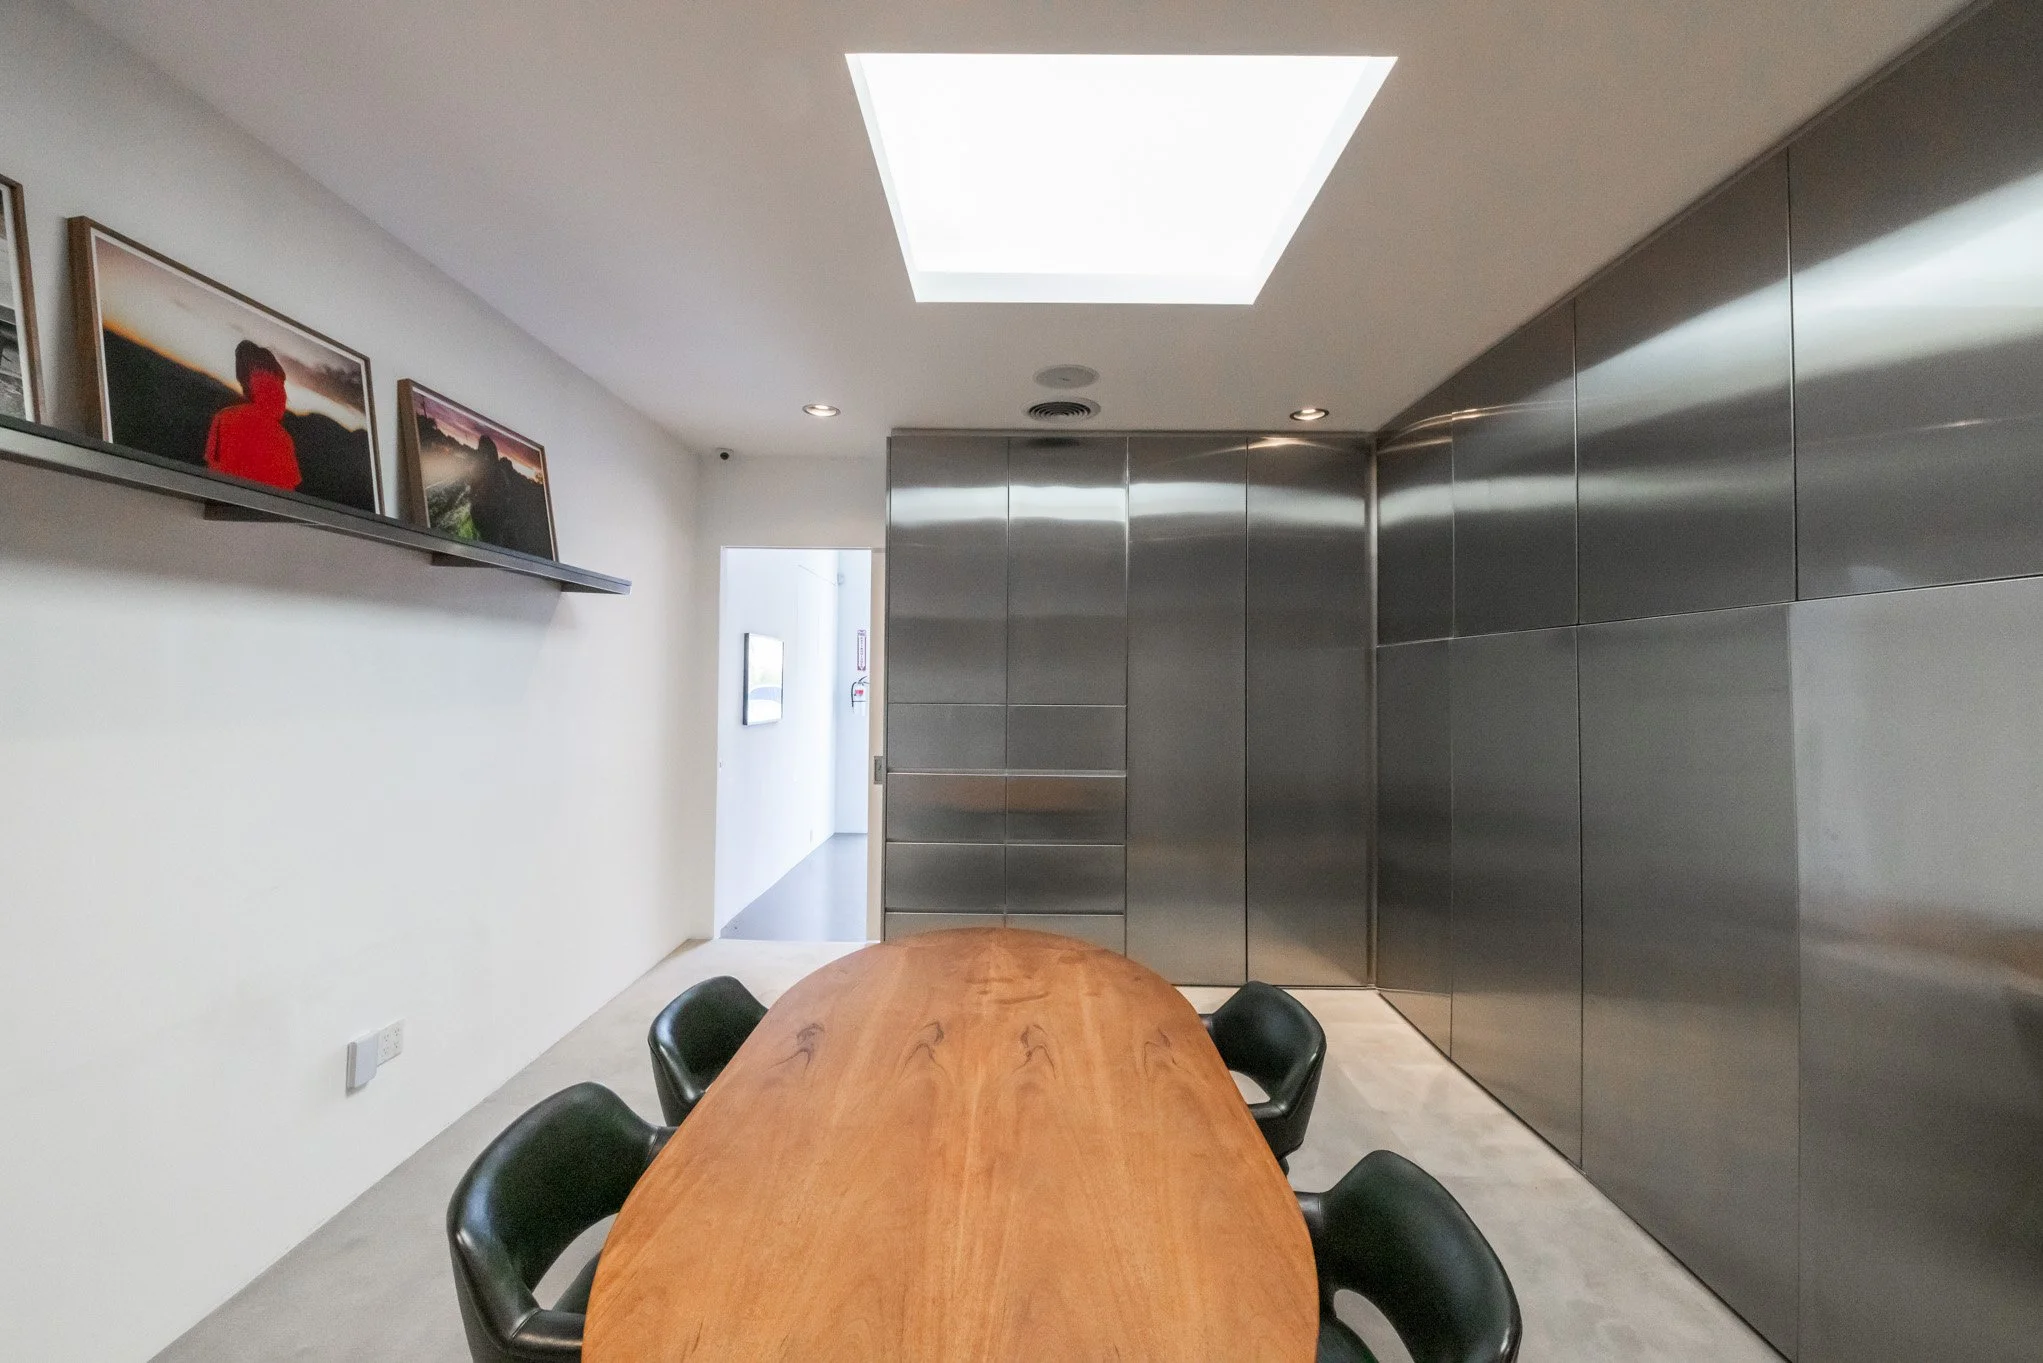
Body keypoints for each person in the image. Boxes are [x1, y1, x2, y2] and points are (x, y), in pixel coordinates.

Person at [204, 340, 301, 490]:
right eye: (273, 384)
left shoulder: (223, 418)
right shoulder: (283, 439)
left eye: (281, 385)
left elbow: (213, 482)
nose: (283, 394)